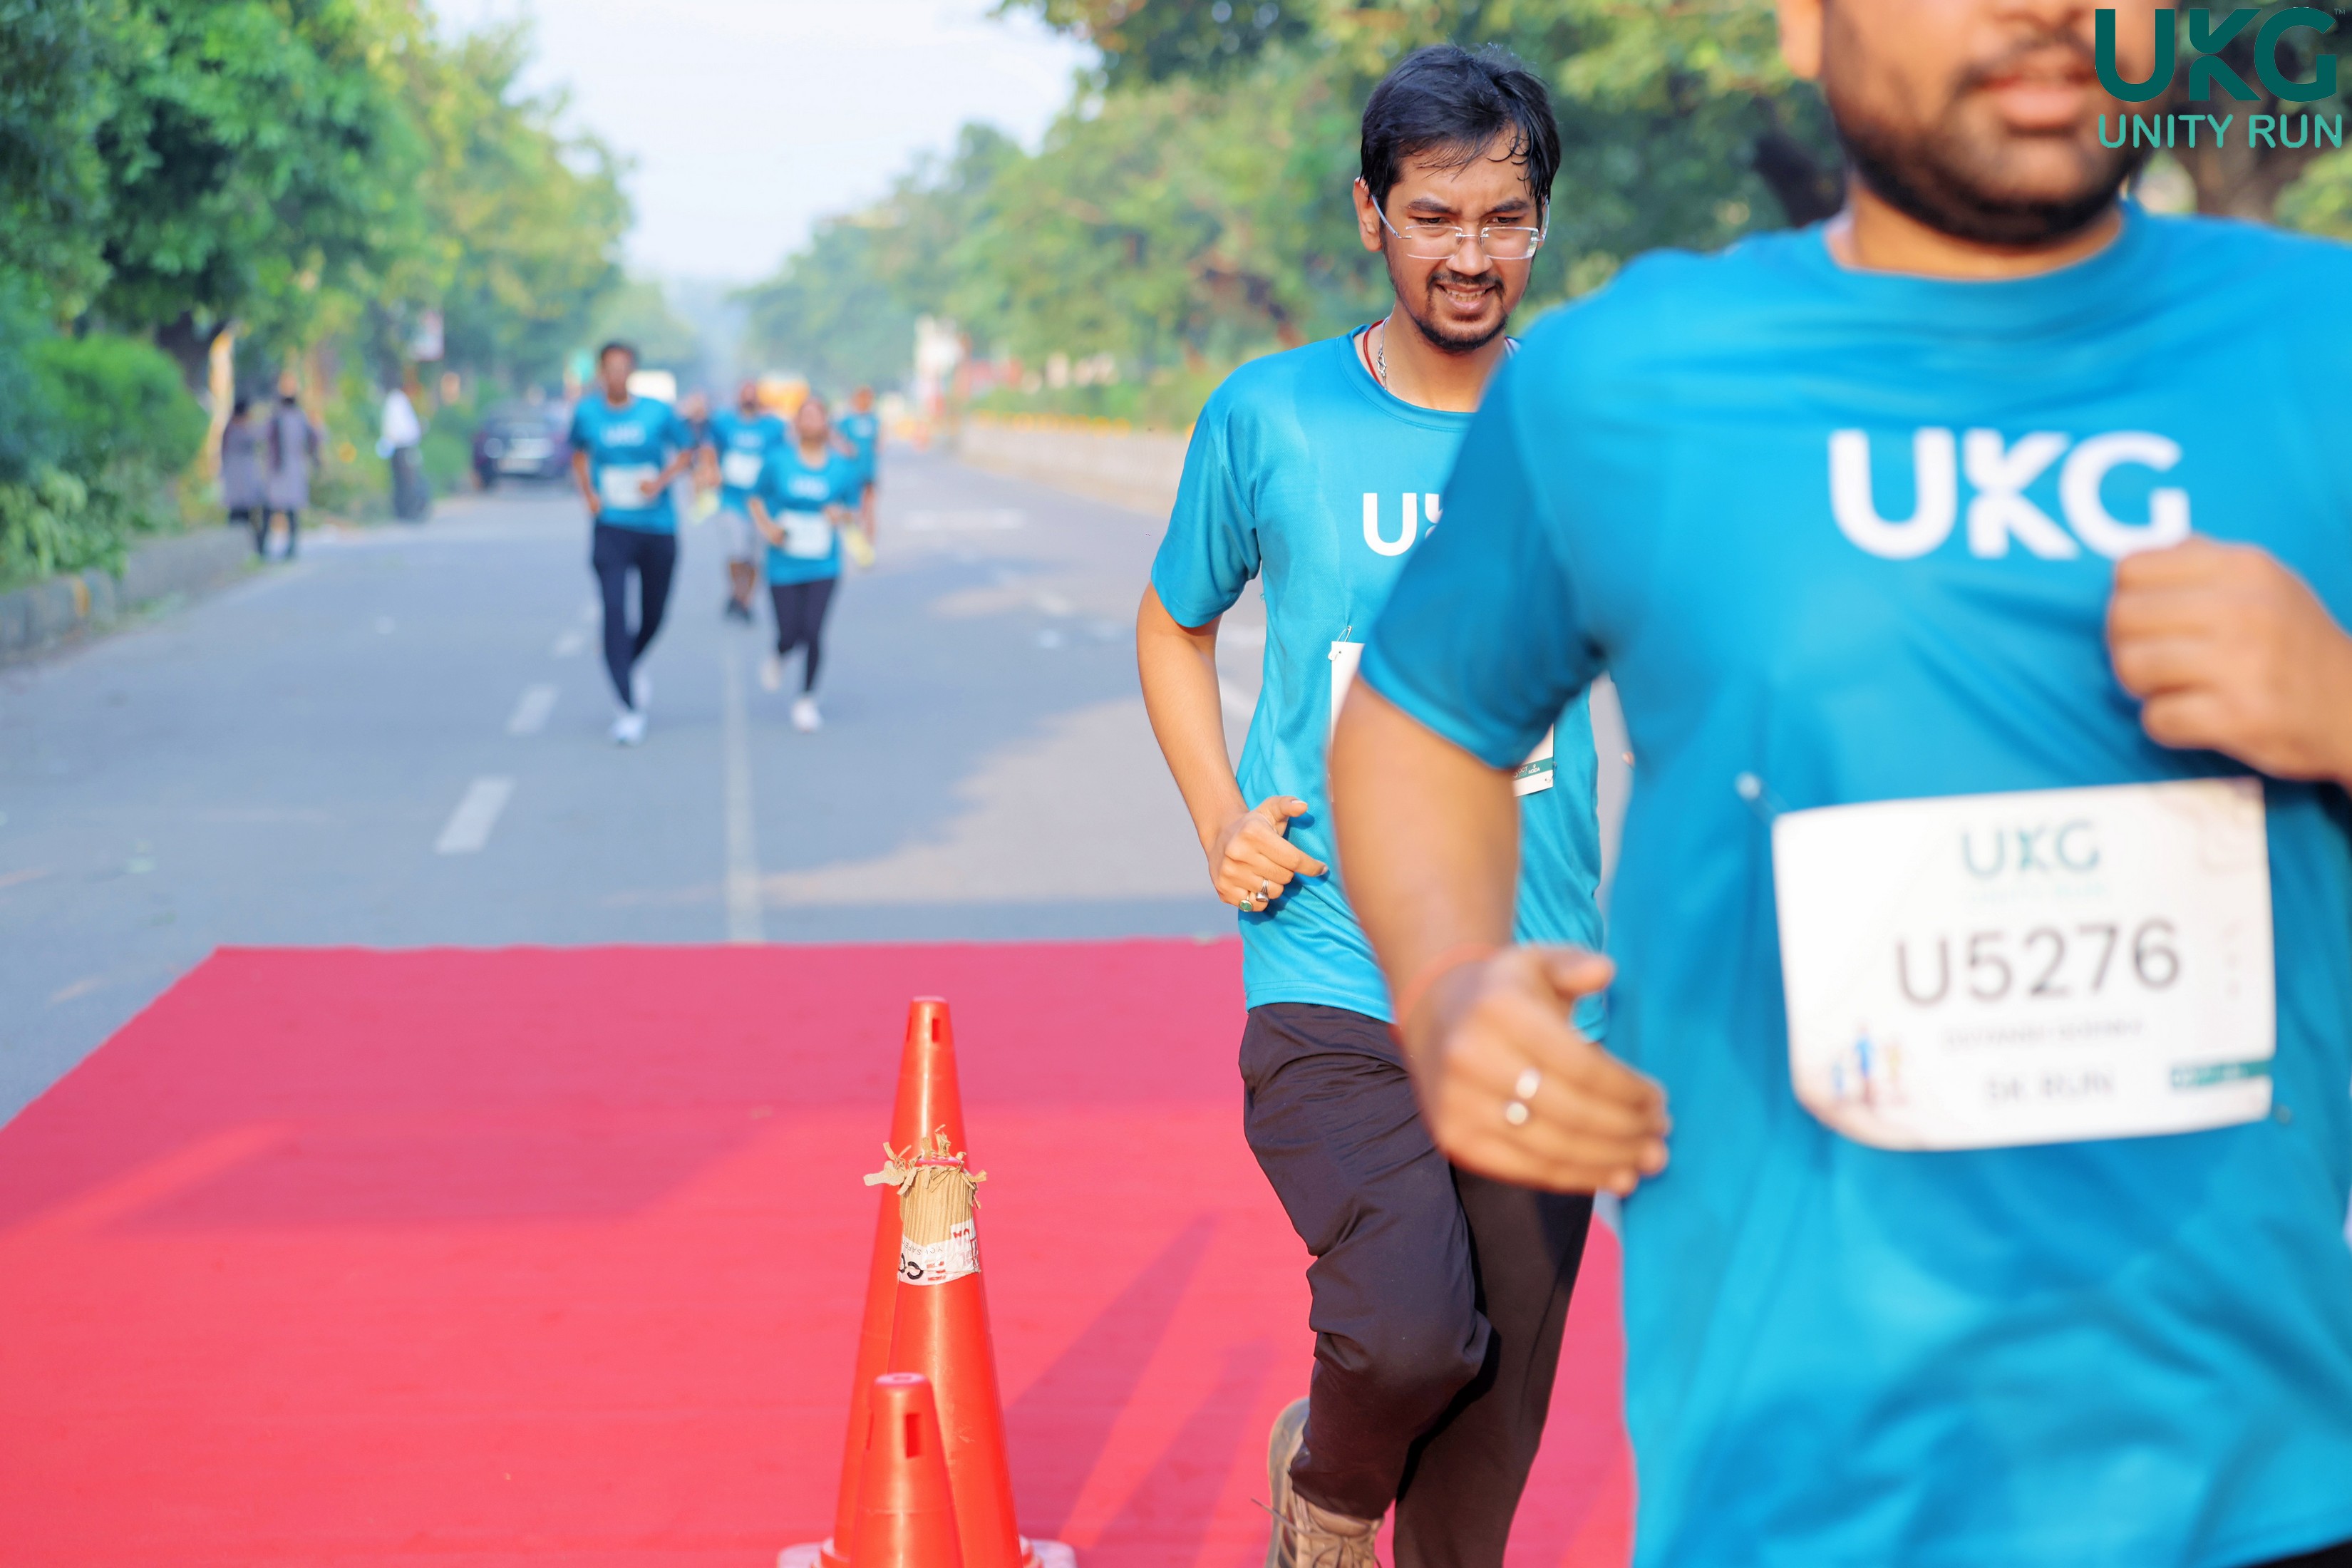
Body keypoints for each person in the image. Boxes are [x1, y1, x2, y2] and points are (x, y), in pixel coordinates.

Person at [1328, 0, 2352, 1564]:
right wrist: (1449, 982)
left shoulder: (2321, 344)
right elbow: (1424, 715)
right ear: (1807, 24)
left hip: (2257, 1480)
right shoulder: (1629, 381)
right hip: (1808, 1488)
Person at [1135, 46, 1604, 1568]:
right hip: (1332, 962)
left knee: (1487, 1448)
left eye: (1506, 218)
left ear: (1540, 223)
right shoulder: (1272, 416)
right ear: (1370, 213)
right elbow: (1174, 622)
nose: (1472, 254)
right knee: (1407, 1332)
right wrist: (1219, 815)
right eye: (1434, 215)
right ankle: (1328, 1492)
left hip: (1537, 982)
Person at [567, 341, 697, 746]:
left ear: (633, 372)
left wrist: (660, 481)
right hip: (612, 526)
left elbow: (687, 451)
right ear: (600, 373)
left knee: (654, 614)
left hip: (657, 526)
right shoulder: (587, 413)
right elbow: (578, 454)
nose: (617, 375)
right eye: (610, 368)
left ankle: (626, 660)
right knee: (613, 611)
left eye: (624, 367)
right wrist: (588, 494)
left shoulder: (657, 412)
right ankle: (628, 708)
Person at [747, 393, 860, 732]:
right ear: (796, 424)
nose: (811, 422)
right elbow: (755, 499)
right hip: (784, 561)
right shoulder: (778, 461)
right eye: (805, 416)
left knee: (813, 631)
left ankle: (806, 699)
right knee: (789, 632)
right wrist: (768, 528)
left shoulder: (841, 466)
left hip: (823, 562)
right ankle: (779, 654)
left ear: (826, 423)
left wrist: (841, 514)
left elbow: (853, 509)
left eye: (817, 416)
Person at [704, 380, 786, 622]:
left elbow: (781, 458)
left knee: (754, 556)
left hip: (761, 502)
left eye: (753, 394)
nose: (749, 398)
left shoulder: (773, 427)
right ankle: (736, 591)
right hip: (731, 499)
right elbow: (709, 448)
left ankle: (745, 600)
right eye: (745, 394)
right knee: (736, 552)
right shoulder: (724, 422)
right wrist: (711, 471)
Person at [263, 375, 321, 559]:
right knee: (288, 509)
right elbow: (314, 439)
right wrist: (315, 460)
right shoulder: (298, 418)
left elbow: (265, 438)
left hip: (282, 468)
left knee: (277, 508)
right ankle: (287, 546)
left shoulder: (278, 418)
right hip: (291, 466)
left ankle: (267, 546)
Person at [220, 398, 267, 553]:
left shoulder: (235, 429)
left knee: (245, 512)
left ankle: (248, 547)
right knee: (239, 513)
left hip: (242, 476)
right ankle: (240, 547)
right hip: (240, 475)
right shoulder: (236, 430)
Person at [837, 385, 882, 545]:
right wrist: (845, 447)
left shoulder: (874, 420)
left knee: (869, 506)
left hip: (869, 470)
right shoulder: (847, 420)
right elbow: (835, 437)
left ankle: (869, 540)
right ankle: (855, 538)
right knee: (853, 507)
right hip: (852, 470)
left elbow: (879, 442)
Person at [380, 380, 428, 522]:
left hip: (402, 447)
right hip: (401, 447)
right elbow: (401, 430)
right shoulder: (397, 401)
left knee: (405, 482)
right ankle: (406, 512)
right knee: (406, 482)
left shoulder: (399, 401)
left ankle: (406, 512)